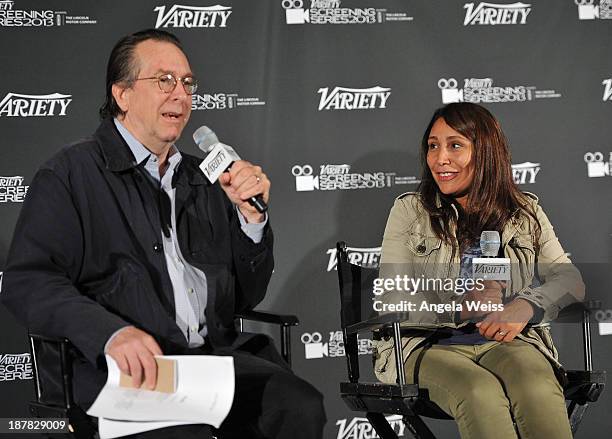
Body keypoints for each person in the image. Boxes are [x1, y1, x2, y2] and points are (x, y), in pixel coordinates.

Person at [1, 29, 325, 439]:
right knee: (183, 430)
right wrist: (110, 333)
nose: (181, 94)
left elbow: (246, 295)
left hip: (208, 363)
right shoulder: (70, 174)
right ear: (122, 94)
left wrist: (251, 222)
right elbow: (28, 281)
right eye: (164, 80)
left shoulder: (203, 179)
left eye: (187, 83)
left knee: (299, 406)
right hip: (124, 371)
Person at [373, 103, 584, 439]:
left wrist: (526, 306)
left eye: (455, 145)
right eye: (433, 146)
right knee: (479, 390)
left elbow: (570, 280)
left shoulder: (523, 210)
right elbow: (392, 297)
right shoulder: (410, 210)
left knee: (537, 384)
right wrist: (457, 308)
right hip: (425, 345)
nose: (440, 158)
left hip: (506, 340)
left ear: (486, 152)